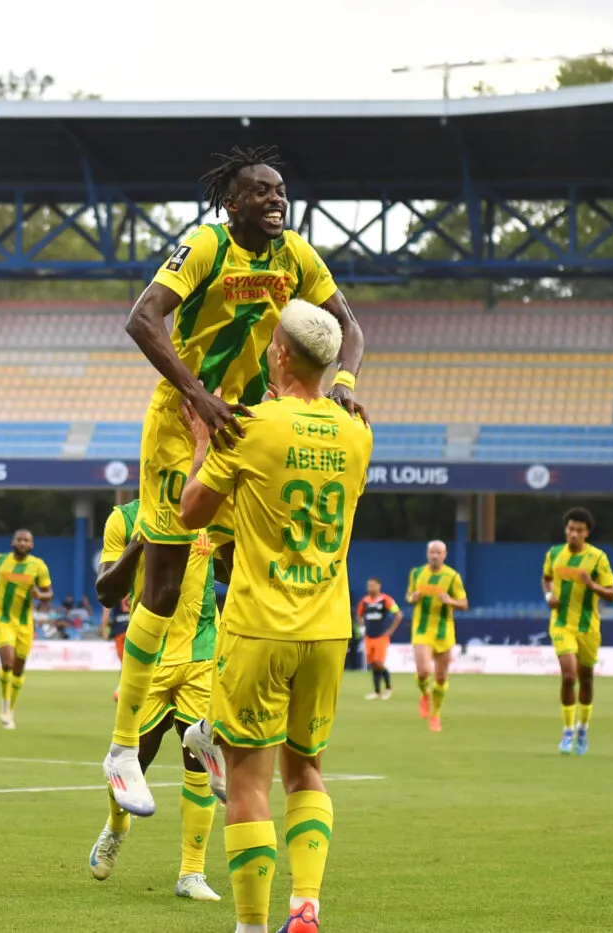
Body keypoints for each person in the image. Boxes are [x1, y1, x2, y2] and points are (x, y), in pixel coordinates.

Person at [105, 144, 366, 816]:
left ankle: (206, 728)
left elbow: (350, 326)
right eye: (260, 191)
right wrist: (196, 393)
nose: (276, 199)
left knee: (248, 578)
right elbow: (142, 317)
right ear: (232, 202)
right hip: (180, 428)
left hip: (247, 431)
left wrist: (340, 383)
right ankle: (121, 749)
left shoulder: (296, 257)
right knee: (162, 587)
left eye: (281, 190)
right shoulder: (203, 246)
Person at [177, 299, 373, 933]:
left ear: (282, 353)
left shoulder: (252, 425)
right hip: (327, 628)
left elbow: (193, 514)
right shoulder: (357, 433)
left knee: (248, 781)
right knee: (306, 767)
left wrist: (206, 438)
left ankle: (253, 924)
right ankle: (307, 904)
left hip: (260, 625)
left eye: (270, 344)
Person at [87, 496, 224, 902]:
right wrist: (138, 544)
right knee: (132, 761)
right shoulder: (124, 519)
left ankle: (191, 872)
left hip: (201, 656)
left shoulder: (209, 510)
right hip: (149, 661)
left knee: (201, 764)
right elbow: (107, 593)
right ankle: (116, 826)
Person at [543, 507, 613, 756]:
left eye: (579, 530)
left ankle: (583, 728)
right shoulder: (554, 554)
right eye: (570, 529)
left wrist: (591, 584)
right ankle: (567, 730)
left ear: (587, 533)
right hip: (561, 623)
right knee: (569, 676)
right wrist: (548, 595)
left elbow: (612, 594)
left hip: (588, 627)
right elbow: (546, 577)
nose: (573, 533)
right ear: (566, 530)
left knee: (586, 678)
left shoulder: (598, 558)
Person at [0, 530, 52, 730]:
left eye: (27, 540)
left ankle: (10, 709)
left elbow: (49, 593)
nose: (22, 543)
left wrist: (39, 594)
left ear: (32, 545)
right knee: (8, 662)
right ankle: (4, 702)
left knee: (19, 669)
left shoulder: (38, 566)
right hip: (2, 619)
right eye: (19, 539)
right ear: (13, 542)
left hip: (25, 624)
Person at [406, 541, 468, 732]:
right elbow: (409, 595)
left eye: (438, 552)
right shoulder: (416, 573)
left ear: (445, 555)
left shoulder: (452, 577)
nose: (434, 556)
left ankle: (435, 714)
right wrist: (411, 598)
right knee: (424, 671)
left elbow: (464, 603)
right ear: (427, 553)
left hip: (444, 631)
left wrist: (450, 600)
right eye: (432, 552)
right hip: (422, 629)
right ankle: (425, 694)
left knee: (441, 677)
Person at [355, 578, 402, 700]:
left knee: (379, 662)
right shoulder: (364, 601)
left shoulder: (385, 600)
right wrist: (361, 627)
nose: (370, 587)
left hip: (381, 636)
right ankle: (377, 692)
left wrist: (391, 630)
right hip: (368, 636)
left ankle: (388, 688)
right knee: (373, 664)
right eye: (369, 585)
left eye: (373, 585)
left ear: (379, 586)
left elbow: (398, 614)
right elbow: (359, 615)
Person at [103, 595, 131, 702]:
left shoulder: (116, 585)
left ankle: (122, 690)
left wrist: (104, 628)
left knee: (125, 663)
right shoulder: (137, 584)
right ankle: (124, 689)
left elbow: (106, 610)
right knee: (131, 662)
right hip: (135, 626)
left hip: (120, 629)